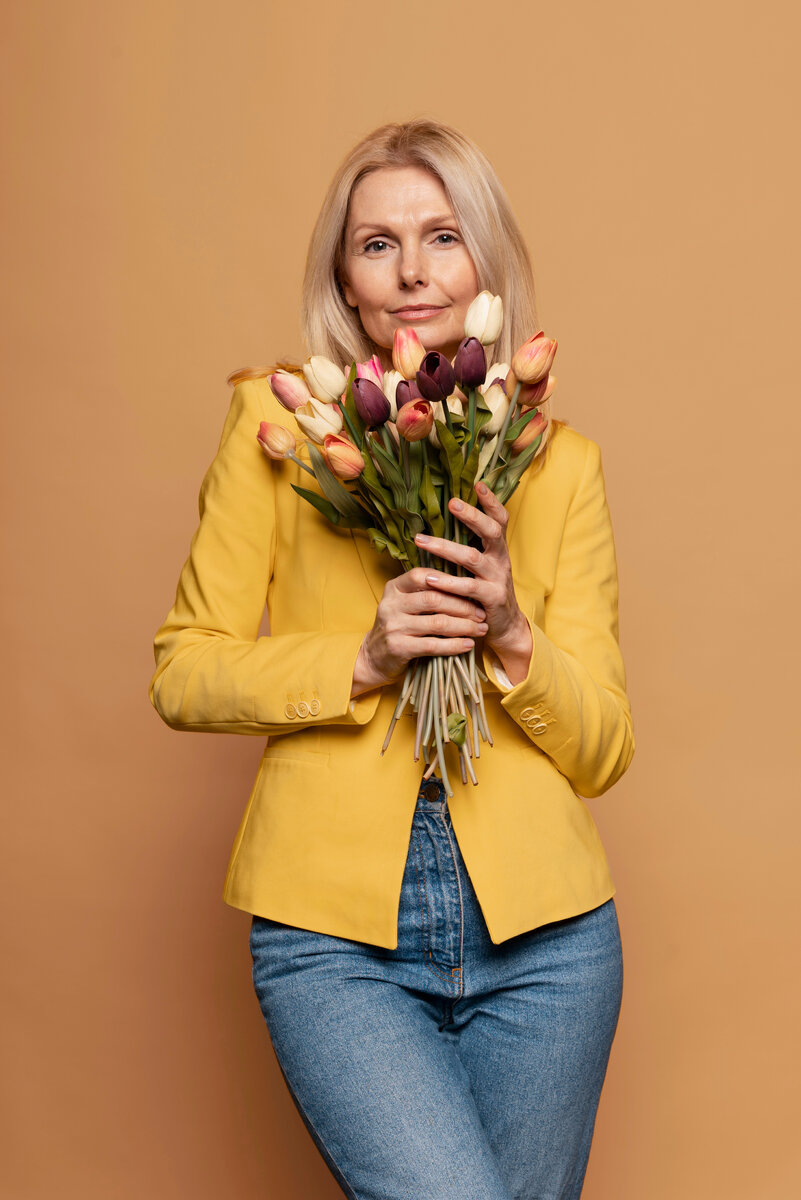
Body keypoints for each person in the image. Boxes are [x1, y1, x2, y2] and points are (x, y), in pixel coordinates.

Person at [149, 118, 635, 1200]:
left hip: (548, 943)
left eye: (443, 237)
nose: (414, 270)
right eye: (378, 244)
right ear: (347, 277)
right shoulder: (277, 431)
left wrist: (510, 636)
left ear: (487, 265)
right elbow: (184, 670)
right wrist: (361, 659)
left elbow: (604, 747)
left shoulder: (562, 468)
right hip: (334, 938)